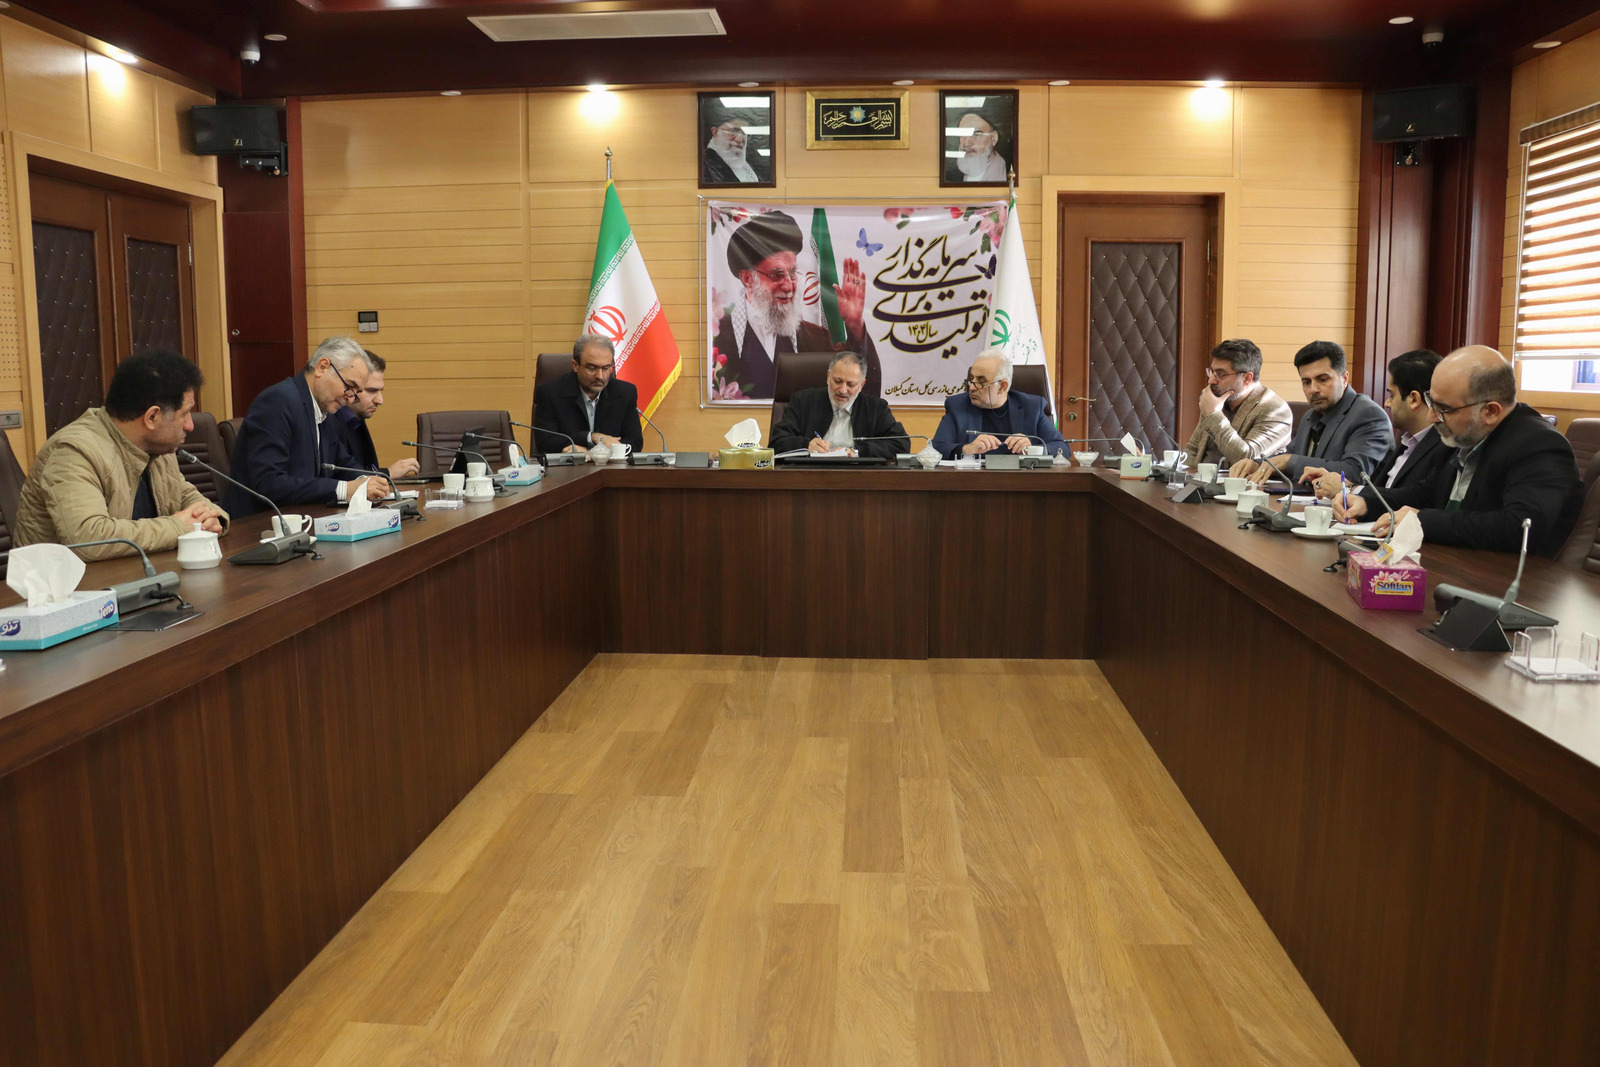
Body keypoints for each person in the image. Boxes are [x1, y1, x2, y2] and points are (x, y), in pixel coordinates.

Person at [1332, 346, 1583, 557]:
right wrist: (1367, 502)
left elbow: (1518, 527)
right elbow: (1426, 493)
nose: (1431, 417)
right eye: (1432, 403)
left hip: (1507, 581)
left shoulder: (1539, 446)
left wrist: (1423, 520)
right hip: (1453, 562)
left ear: (1490, 411)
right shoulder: (1464, 434)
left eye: (1443, 409)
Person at [15, 349, 227, 560]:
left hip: (139, 573)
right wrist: (179, 528)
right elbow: (89, 538)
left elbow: (187, 498)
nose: (190, 425)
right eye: (185, 413)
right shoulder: (73, 452)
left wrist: (212, 519)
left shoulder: (159, 449)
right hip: (68, 580)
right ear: (152, 417)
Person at [712, 210, 877, 399]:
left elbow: (856, 386)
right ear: (748, 279)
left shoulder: (816, 338)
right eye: (777, 275)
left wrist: (854, 324)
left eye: (792, 274)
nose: (789, 286)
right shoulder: (718, 338)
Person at [225, 336, 389, 517]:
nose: (350, 399)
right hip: (258, 525)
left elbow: (342, 463)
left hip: (304, 520)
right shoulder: (278, 401)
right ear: (322, 367)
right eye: (349, 387)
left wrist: (365, 481)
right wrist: (345, 489)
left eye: (355, 393)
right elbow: (269, 483)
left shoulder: (323, 409)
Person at [1232, 340, 1392, 485]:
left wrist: (1289, 461)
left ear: (1344, 378)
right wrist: (1256, 464)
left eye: (1323, 379)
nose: (1313, 389)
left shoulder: (1369, 415)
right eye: (1306, 382)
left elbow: (1356, 473)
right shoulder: (1310, 416)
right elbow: (1288, 459)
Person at [1305, 349, 1450, 502]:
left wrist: (1349, 489)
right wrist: (1338, 484)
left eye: (1392, 395)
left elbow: (1415, 499)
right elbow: (1383, 492)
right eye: (1306, 382)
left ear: (1414, 399)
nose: (1387, 403)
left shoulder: (1445, 448)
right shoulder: (1407, 440)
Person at [769, 352, 908, 459]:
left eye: (851, 384)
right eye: (837, 381)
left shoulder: (875, 408)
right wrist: (806, 446)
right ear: (828, 377)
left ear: (861, 385)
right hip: (809, 475)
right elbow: (777, 442)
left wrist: (858, 451)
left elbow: (901, 444)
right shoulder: (802, 401)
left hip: (859, 477)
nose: (842, 390)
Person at [931, 349, 1066, 458]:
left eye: (981, 382)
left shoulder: (1031, 407)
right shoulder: (958, 405)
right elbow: (936, 448)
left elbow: (1062, 448)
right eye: (971, 379)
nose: (971, 387)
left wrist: (1032, 449)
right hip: (974, 480)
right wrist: (967, 449)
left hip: (1021, 480)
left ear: (1002, 387)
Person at [1181, 338, 1293, 468]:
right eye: (1212, 372)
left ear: (1247, 378)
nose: (1211, 380)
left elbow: (1248, 458)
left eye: (1220, 374)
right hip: (1201, 478)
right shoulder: (1218, 399)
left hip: (1239, 480)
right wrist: (1182, 475)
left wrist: (1214, 415)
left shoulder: (1276, 410)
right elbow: (1194, 448)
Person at [532, 335, 644, 455]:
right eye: (592, 368)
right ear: (575, 366)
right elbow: (545, 442)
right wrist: (592, 437)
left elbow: (635, 442)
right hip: (569, 466)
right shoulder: (550, 393)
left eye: (606, 368)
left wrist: (601, 453)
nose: (600, 376)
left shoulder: (625, 393)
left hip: (609, 465)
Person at [329, 349, 421, 479]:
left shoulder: (356, 419)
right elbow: (340, 478)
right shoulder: (329, 421)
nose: (380, 400)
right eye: (371, 390)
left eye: (380, 391)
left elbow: (363, 469)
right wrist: (387, 473)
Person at [950, 110, 1008, 183]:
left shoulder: (1006, 171)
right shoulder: (953, 174)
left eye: (976, 134)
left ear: (994, 138)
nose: (967, 143)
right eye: (962, 135)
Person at [703, 118, 761, 184]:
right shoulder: (704, 166)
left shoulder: (752, 170)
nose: (739, 139)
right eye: (734, 131)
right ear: (715, 132)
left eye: (744, 133)